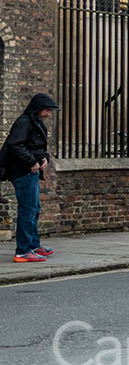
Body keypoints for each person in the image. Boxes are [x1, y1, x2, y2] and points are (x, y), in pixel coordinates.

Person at [3, 93, 57, 263]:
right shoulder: (24, 122)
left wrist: (44, 158)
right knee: (27, 210)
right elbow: (14, 144)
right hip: (22, 172)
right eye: (47, 110)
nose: (48, 114)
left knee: (34, 209)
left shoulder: (35, 122)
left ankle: (33, 245)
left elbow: (35, 146)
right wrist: (31, 162)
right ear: (38, 108)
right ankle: (23, 251)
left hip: (30, 171)